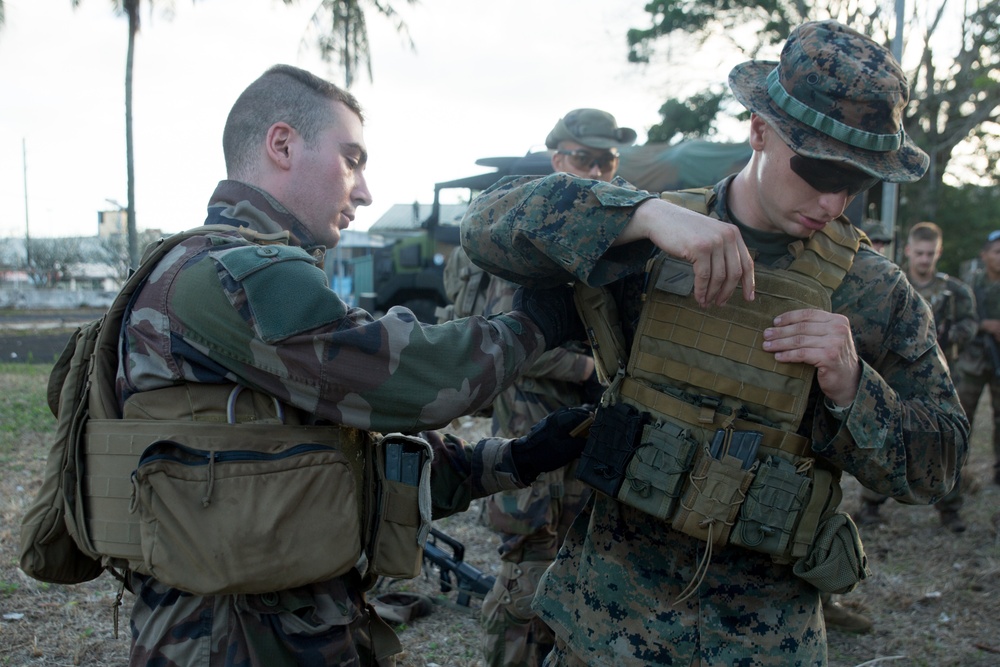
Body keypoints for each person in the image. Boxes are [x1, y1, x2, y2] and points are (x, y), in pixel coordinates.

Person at [461, 20, 968, 665]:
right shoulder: (650, 233)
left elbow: (942, 462)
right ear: (759, 130)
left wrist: (853, 388)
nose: (835, 200)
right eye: (819, 169)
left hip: (764, 638)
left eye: (859, 182)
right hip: (609, 625)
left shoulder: (875, 292)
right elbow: (482, 227)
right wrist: (634, 214)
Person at [108, 64, 593, 666]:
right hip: (237, 643)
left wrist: (511, 460)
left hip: (270, 629)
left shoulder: (221, 269)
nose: (363, 190)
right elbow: (414, 382)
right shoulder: (238, 277)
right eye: (352, 160)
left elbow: (344, 465)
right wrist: (532, 327)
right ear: (282, 145)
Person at [479, 109, 635, 667]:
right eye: (583, 159)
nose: (597, 172)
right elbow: (507, 344)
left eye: (607, 160)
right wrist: (593, 370)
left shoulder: (619, 238)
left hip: (586, 440)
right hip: (532, 439)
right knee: (528, 578)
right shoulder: (527, 239)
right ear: (556, 161)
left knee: (577, 578)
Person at [858, 221, 976, 532]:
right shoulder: (891, 284)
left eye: (930, 254)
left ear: (938, 253)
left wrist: (955, 334)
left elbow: (970, 323)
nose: (924, 259)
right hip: (895, 375)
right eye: (919, 253)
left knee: (946, 442)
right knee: (884, 436)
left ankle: (950, 510)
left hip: (940, 376)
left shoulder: (955, 291)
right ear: (909, 250)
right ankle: (870, 505)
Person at [956, 229, 1000, 487]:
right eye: (996, 252)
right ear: (984, 255)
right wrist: (986, 325)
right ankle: (959, 472)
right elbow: (962, 319)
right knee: (963, 418)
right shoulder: (970, 286)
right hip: (972, 362)